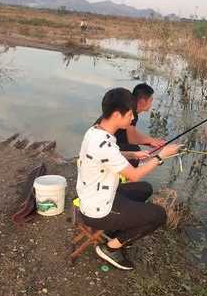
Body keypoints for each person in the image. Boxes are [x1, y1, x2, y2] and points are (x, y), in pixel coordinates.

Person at [76, 88, 180, 271]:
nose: (132, 119)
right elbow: (134, 174)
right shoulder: (104, 143)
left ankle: (116, 231)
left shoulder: (96, 131)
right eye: (130, 114)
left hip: (95, 195)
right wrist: (161, 155)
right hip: (98, 210)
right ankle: (110, 247)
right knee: (158, 215)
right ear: (117, 114)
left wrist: (133, 153)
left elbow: (107, 154)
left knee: (145, 189)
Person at [115, 83, 165, 153]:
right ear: (142, 101)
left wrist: (150, 141)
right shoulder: (131, 112)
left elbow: (132, 132)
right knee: (135, 149)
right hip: (108, 142)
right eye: (151, 101)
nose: (151, 104)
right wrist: (150, 141)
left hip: (106, 139)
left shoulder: (128, 106)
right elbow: (132, 139)